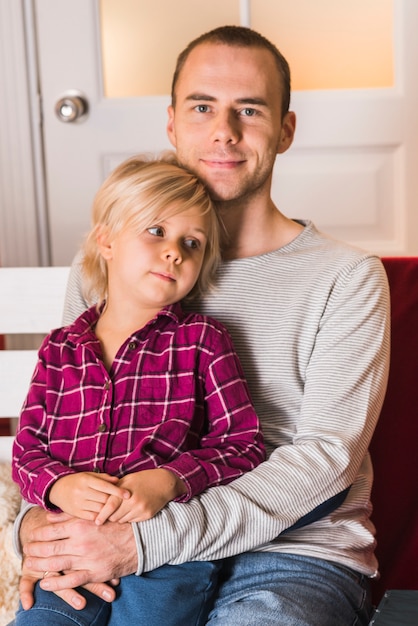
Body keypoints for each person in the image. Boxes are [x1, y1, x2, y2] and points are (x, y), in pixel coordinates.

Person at [12, 25, 390, 626]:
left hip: (291, 551)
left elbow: (325, 459)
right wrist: (39, 524)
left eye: (249, 108)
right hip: (118, 534)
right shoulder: (114, 268)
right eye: (202, 107)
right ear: (171, 123)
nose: (224, 131)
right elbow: (60, 428)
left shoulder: (346, 277)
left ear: (285, 129)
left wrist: (153, 541)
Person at [10, 155, 265, 625]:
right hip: (73, 553)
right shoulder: (60, 349)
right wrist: (59, 485)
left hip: (166, 552)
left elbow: (242, 444)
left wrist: (171, 479)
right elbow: (27, 451)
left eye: (192, 242)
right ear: (106, 240)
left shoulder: (204, 341)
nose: (175, 252)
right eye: (156, 232)